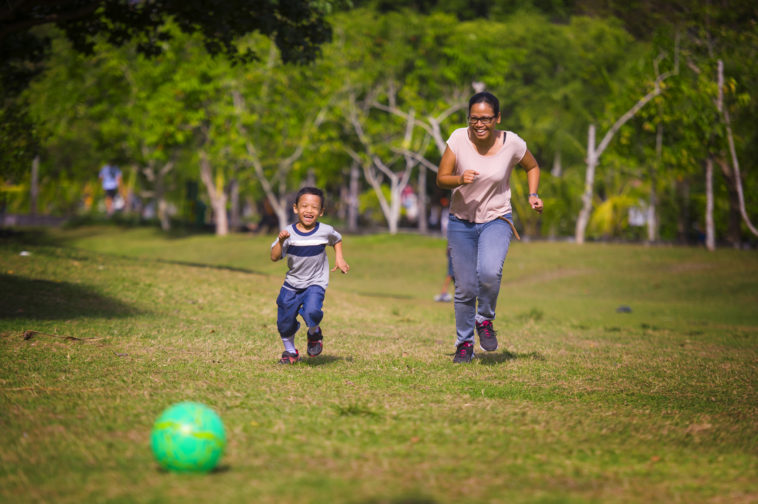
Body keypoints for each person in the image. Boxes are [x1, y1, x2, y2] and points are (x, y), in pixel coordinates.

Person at [436, 91, 544, 363]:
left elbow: (532, 166)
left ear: (497, 118)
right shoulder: (459, 138)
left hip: (497, 219)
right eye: (474, 118)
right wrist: (459, 178)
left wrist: (533, 195)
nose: (479, 124)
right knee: (465, 287)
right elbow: (441, 178)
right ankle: (464, 344)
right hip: (461, 221)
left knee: (489, 273)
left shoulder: (512, 143)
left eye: (486, 118)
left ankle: (484, 318)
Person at [270, 187, 350, 364]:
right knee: (284, 320)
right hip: (291, 284)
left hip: (315, 282)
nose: (309, 210)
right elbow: (274, 257)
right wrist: (281, 241)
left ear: (321, 212)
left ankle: (314, 332)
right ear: (295, 208)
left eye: (314, 207)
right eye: (304, 206)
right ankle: (290, 352)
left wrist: (339, 258)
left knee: (313, 311)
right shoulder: (288, 233)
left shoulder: (325, 231)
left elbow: (337, 239)